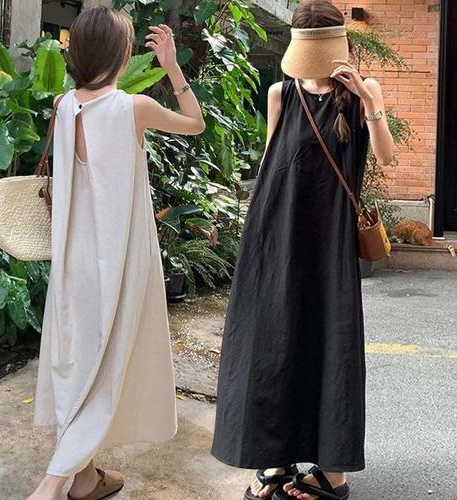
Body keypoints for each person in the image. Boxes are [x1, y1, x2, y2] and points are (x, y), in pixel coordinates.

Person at [211, 1, 394, 499]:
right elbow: (272, 167)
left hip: (329, 240)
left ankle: (334, 473)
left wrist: (367, 100)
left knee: (330, 342)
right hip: (276, 236)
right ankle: (275, 459)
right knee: (274, 343)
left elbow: (385, 157)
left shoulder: (363, 93)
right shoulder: (281, 93)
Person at [28, 7, 205, 500]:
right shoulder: (132, 108)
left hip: (73, 258)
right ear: (120, 54)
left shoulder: (64, 105)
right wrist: (172, 66)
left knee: (80, 363)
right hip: (120, 258)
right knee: (107, 366)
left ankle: (85, 479)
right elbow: (195, 123)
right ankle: (51, 484)